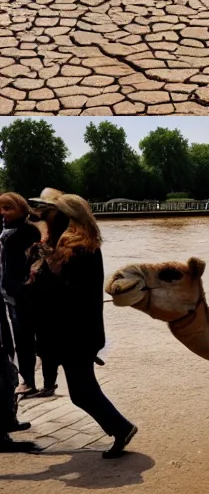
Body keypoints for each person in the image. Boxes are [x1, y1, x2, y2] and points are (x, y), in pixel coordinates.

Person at [27, 189, 136, 457]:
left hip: (74, 333)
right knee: (82, 390)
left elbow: (68, 291)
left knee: (83, 391)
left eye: (48, 213)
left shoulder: (78, 249)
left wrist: (43, 270)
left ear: (64, 216)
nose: (43, 217)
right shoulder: (78, 245)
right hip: (76, 332)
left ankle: (122, 428)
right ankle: (120, 428)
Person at [0, 193, 42, 396]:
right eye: (1, 208)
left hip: (23, 294)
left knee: (24, 339)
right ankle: (27, 380)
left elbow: (29, 264)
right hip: (9, 293)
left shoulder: (25, 232)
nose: (3, 212)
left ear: (22, 209)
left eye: (8, 208)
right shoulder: (6, 230)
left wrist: (19, 288)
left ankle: (29, 382)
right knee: (19, 339)